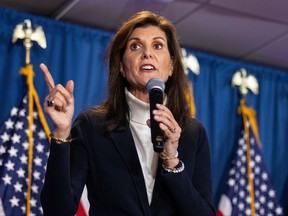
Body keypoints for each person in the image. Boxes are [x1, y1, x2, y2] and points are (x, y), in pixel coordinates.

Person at [40, 10, 215, 216]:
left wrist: (172, 160)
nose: (147, 53)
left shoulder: (193, 132)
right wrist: (61, 133)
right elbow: (57, 211)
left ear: (171, 67)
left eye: (158, 45)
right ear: (122, 67)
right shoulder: (92, 125)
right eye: (135, 46)